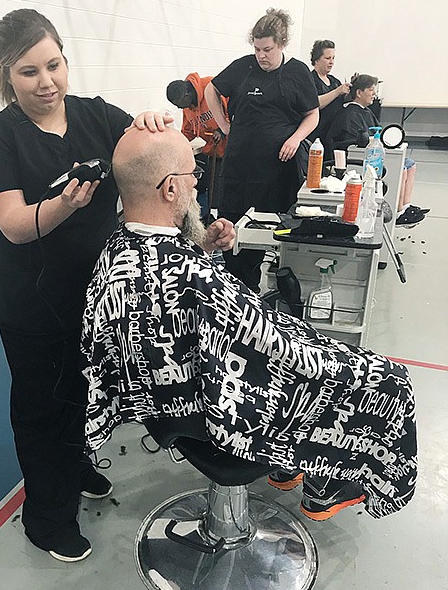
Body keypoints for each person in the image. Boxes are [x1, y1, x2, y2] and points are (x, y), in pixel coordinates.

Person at [80, 126, 418, 522]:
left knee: (291, 340)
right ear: (170, 188)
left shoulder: (119, 248)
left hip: (169, 403)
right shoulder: (188, 275)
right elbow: (272, 350)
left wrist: (200, 245)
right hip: (216, 415)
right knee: (388, 381)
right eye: (194, 176)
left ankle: (291, 466)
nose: (195, 187)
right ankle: (325, 485)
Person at [0, 8, 174, 563]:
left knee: (85, 393)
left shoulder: (97, 116)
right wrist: (62, 205)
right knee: (43, 407)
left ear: (66, 59)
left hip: (96, 295)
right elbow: (14, 225)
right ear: (5, 76)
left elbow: (148, 155)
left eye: (54, 65)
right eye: (28, 73)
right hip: (32, 304)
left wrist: (155, 126)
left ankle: (79, 466)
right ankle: (46, 517)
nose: (46, 83)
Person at [204, 8, 319, 291]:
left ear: (282, 44)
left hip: (275, 171)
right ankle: (233, 291)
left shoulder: (297, 73)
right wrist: (225, 125)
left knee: (264, 233)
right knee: (232, 231)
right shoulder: (243, 67)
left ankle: (255, 291)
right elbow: (210, 90)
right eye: (256, 49)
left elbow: (312, 115)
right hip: (239, 166)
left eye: (267, 49)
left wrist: (295, 139)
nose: (261, 55)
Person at [327, 74, 428, 226]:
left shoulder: (365, 111)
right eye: (370, 90)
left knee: (410, 164)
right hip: (357, 157)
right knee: (402, 168)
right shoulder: (349, 113)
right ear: (359, 93)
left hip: (373, 151)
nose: (374, 94)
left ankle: (405, 206)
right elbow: (351, 142)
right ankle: (399, 211)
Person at [166, 74, 228, 219]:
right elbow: (188, 130)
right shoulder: (188, 106)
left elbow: (236, 109)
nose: (178, 107)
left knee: (231, 186)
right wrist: (175, 144)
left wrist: (223, 129)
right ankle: (214, 216)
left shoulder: (212, 87)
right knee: (215, 188)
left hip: (235, 148)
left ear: (186, 95)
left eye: (178, 103)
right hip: (216, 151)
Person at [308, 39, 351, 159]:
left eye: (333, 58)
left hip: (334, 136)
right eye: (327, 58)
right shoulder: (310, 80)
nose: (331, 62)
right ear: (316, 59)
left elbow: (342, 102)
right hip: (317, 135)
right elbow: (314, 103)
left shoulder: (334, 81)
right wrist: (337, 91)